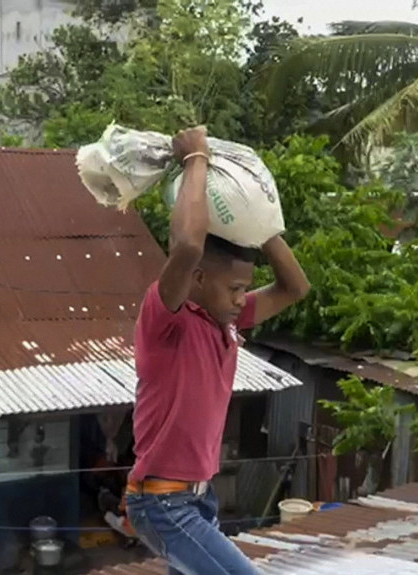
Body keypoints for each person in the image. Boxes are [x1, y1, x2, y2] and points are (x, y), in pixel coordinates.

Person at [123, 126, 310, 575]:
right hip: (163, 503)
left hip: (197, 498)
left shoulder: (224, 321)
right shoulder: (166, 321)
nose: (242, 299)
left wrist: (258, 223)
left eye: (245, 290)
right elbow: (188, 245)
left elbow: (295, 287)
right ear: (198, 280)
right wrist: (196, 160)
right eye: (234, 288)